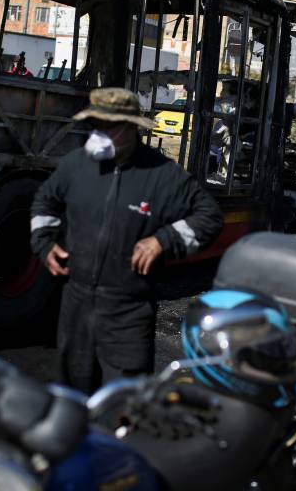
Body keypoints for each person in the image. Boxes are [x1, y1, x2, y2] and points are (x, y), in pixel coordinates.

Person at [30, 87, 223, 393]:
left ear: (132, 128)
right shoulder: (76, 165)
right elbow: (45, 201)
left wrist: (164, 240)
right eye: (95, 125)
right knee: (71, 398)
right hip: (75, 306)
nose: (99, 134)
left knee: (125, 403)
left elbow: (209, 217)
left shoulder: (162, 175)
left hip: (128, 312)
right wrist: (44, 242)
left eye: (109, 126)